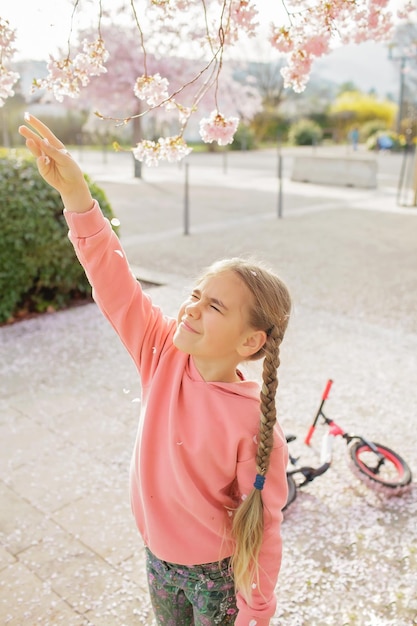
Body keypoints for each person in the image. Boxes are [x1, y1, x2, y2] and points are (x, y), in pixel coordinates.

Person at [19, 114, 292, 626]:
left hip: (216, 576)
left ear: (250, 342)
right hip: (157, 559)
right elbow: (112, 279)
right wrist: (78, 197)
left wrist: (256, 613)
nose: (190, 307)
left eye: (214, 307)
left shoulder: (256, 426)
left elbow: (265, 525)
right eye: (195, 294)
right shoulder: (162, 352)